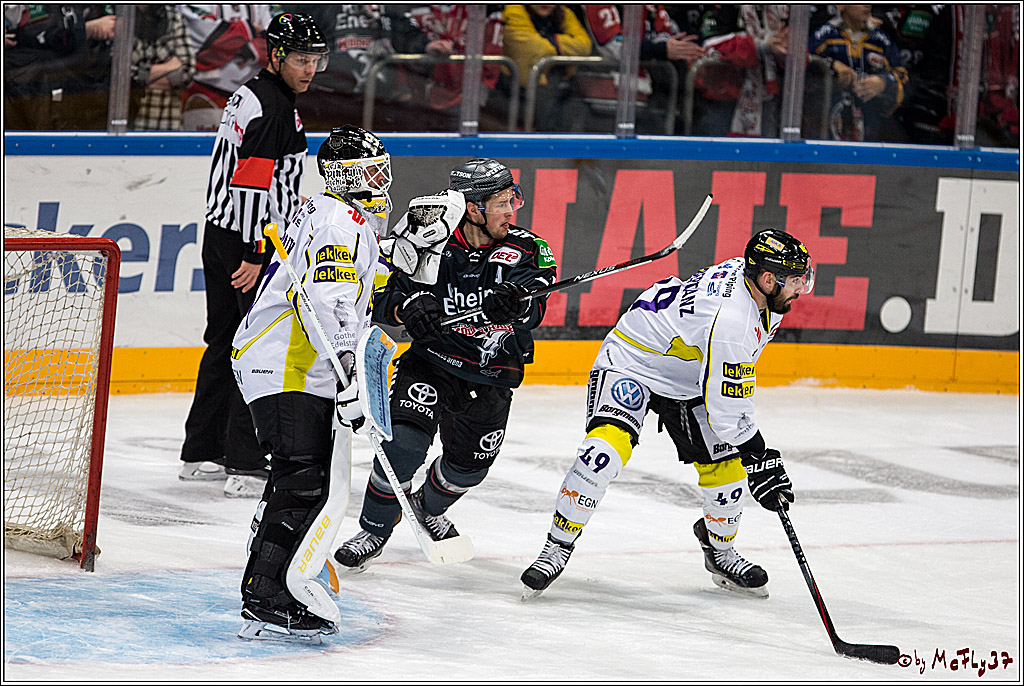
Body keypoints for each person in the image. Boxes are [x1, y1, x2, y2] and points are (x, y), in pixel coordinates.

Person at [521, 229, 814, 600]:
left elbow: (725, 391)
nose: (801, 289)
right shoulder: (733, 320)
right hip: (633, 361)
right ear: (769, 279)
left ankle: (719, 552)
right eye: (796, 281)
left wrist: (750, 460)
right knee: (601, 455)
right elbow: (727, 410)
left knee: (727, 474)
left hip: (688, 376)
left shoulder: (753, 284)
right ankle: (556, 547)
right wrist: (760, 456)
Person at [332, 158, 558, 571]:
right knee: (400, 449)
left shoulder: (528, 249)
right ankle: (374, 530)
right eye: (502, 202)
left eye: (514, 199)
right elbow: (377, 296)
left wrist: (515, 303)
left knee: (468, 470)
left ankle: (427, 506)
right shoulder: (425, 240)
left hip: (491, 377)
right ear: (473, 208)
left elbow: (536, 306)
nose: (512, 210)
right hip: (430, 364)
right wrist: (407, 307)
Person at [230, 125, 392, 642]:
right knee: (302, 479)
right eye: (371, 169)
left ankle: (276, 566)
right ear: (344, 176)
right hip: (287, 365)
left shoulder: (337, 217)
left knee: (302, 478)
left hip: (294, 362)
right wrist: (347, 367)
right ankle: (266, 593)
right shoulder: (339, 224)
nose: (381, 178)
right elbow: (330, 300)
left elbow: (353, 284)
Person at [178, 13, 329, 498]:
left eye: (316, 59)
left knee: (223, 341)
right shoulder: (273, 108)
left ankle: (201, 452)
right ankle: (244, 462)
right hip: (248, 242)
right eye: (301, 59)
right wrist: (253, 253)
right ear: (277, 56)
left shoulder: (253, 94)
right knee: (256, 346)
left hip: (221, 233)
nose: (309, 69)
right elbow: (251, 185)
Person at [681, 5, 789, 137]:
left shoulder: (783, 8)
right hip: (722, 100)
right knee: (718, 153)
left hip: (771, 99)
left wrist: (788, 50)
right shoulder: (725, 8)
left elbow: (800, 49)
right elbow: (706, 45)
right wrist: (760, 47)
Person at [3, 4, 117, 130]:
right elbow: (44, 36)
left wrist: (120, 24)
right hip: (31, 89)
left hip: (74, 87)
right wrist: (88, 29)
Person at [809, 4, 908, 141]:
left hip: (871, 126)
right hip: (825, 125)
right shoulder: (825, 35)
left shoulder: (881, 40)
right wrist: (831, 65)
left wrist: (883, 82)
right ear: (841, 6)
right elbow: (803, 61)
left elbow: (902, 74)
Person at [177, 4, 271, 131]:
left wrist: (232, 43)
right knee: (204, 148)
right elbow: (205, 38)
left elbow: (274, 41)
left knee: (252, 148)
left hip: (255, 95)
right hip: (206, 90)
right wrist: (250, 31)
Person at [502, 4, 593, 131]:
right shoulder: (513, 10)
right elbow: (535, 48)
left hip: (554, 86)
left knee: (578, 103)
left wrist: (550, 41)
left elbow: (584, 46)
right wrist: (563, 49)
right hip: (513, 89)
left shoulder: (565, 14)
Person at [130, 5, 195, 131]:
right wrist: (170, 66)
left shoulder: (174, 18)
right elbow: (119, 76)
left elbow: (187, 73)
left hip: (168, 125)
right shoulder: (122, 16)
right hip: (129, 125)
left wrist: (141, 78)